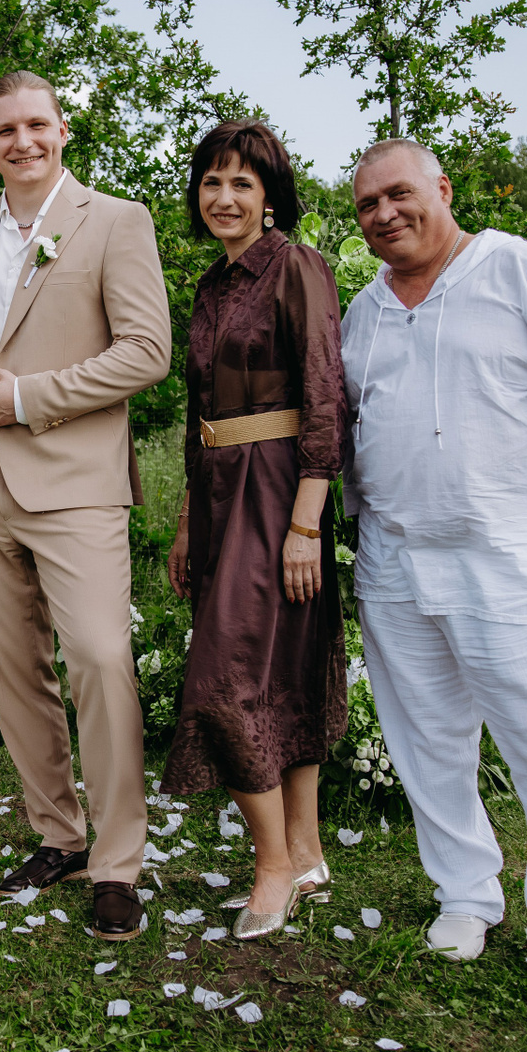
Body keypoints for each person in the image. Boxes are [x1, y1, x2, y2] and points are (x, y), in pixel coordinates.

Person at [341, 138, 527, 1025]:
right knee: (427, 743)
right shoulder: (365, 310)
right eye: (367, 206)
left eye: (400, 194)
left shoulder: (519, 273)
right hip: (398, 558)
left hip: (510, 556)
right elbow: (350, 422)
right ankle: (466, 894)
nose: (385, 214)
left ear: (442, 188)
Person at [0, 71, 171, 941]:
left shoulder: (116, 220)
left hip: (74, 482)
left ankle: (118, 864)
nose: (23, 141)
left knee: (101, 659)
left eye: (37, 124)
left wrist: (31, 398)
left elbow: (146, 351)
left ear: (63, 129)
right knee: (14, 672)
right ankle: (59, 836)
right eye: (5, 130)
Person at [159, 120, 350, 940]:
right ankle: (304, 853)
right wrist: (186, 521)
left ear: (271, 196)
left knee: (221, 684)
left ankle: (271, 866)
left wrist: (306, 524)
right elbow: (197, 411)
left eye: (242, 182)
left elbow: (326, 395)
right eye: (212, 181)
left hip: (278, 493)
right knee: (276, 674)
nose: (224, 197)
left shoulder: (297, 267)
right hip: (217, 494)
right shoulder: (210, 286)